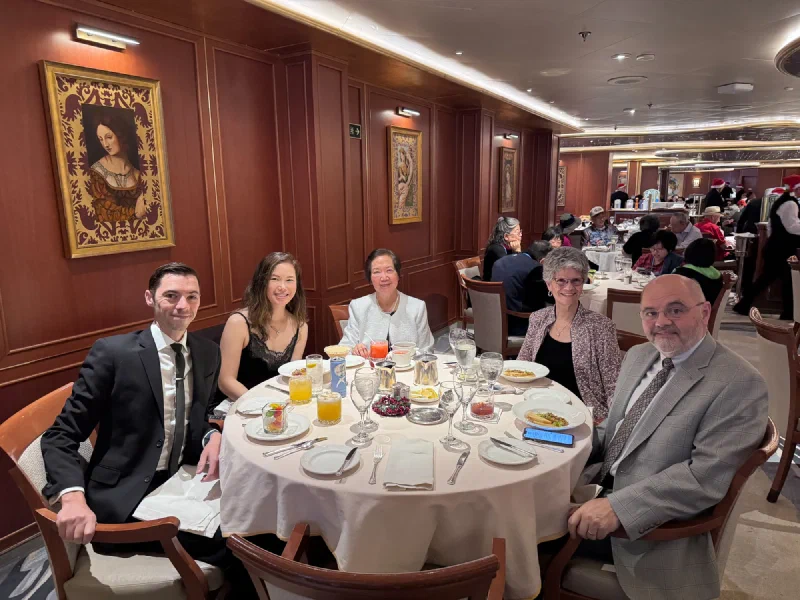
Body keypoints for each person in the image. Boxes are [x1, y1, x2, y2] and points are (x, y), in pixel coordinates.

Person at [40, 263, 255, 597]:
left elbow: (197, 418)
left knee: (259, 516)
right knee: (244, 546)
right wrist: (72, 498)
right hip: (126, 498)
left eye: (192, 296)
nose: (182, 305)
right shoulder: (114, 354)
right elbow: (60, 436)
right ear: (149, 298)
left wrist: (211, 435)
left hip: (182, 482)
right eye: (171, 296)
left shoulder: (206, 353)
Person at [568, 275, 767, 600]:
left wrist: (618, 507)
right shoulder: (639, 355)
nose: (661, 322)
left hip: (647, 527)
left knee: (517, 531)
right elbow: (615, 430)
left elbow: (704, 478)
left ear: (704, 312)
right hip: (595, 484)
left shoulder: (739, 383)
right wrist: (564, 440)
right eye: (651, 313)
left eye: (675, 310)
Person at [517, 247, 621, 421]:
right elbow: (522, 366)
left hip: (582, 417)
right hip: (538, 411)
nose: (569, 287)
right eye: (561, 281)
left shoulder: (601, 327)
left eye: (576, 281)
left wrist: (609, 424)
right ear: (549, 284)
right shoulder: (538, 318)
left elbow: (614, 385)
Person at [218, 253, 308, 401]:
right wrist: (261, 405)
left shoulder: (300, 326)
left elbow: (292, 377)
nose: (282, 287)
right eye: (275, 279)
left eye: (289, 280)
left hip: (279, 403)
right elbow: (225, 381)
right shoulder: (238, 323)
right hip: (240, 402)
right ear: (261, 282)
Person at [341, 249, 434, 357]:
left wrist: (408, 355)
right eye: (377, 272)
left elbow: (426, 351)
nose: (384, 278)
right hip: (369, 367)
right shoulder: (358, 306)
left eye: (389, 270)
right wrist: (354, 350)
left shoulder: (417, 307)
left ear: (398, 274)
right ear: (370, 278)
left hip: (407, 366)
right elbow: (344, 348)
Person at [734, 176, 800, 320]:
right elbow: (792, 226)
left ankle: (745, 304)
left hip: (776, 247)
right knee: (783, 280)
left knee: (773, 279)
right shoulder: (790, 203)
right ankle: (788, 312)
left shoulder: (782, 201)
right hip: (781, 249)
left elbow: (771, 226)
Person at [88, 114, 145, 223]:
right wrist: (136, 213)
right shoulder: (96, 172)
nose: (105, 144)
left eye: (109, 137)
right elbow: (104, 213)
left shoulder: (138, 174)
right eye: (101, 139)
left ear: (121, 135)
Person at [491, 241, 552, 336]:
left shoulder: (500, 261)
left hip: (494, 319)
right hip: (518, 323)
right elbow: (548, 297)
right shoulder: (535, 268)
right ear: (543, 261)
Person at [673, 239, 723, 303]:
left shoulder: (682, 273)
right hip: (710, 307)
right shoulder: (717, 274)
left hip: (691, 308)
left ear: (689, 252)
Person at [483, 216, 522, 281]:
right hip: (492, 286)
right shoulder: (496, 249)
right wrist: (517, 252)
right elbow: (512, 271)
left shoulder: (510, 247)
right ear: (506, 236)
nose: (521, 235)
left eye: (520, 232)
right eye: (518, 232)